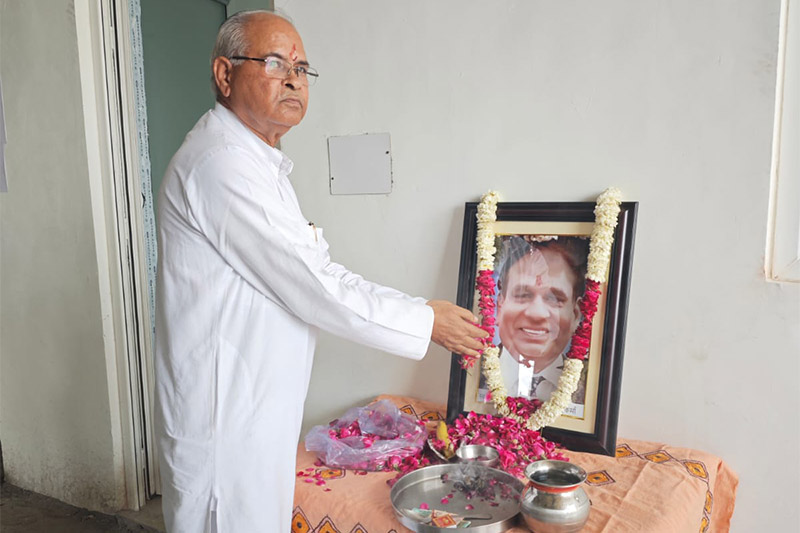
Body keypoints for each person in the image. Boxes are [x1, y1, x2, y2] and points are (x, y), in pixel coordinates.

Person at [154, 10, 487, 533]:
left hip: (255, 415)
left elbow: (319, 271)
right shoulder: (221, 164)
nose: (293, 79)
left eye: (301, 68)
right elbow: (315, 289)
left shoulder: (259, 163)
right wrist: (426, 323)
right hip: (226, 424)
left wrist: (422, 311)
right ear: (224, 74)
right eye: (274, 63)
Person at [494, 236, 589, 402]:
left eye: (554, 299)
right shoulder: (472, 374)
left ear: (576, 314)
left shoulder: (591, 387)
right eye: (523, 295)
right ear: (500, 306)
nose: (536, 313)